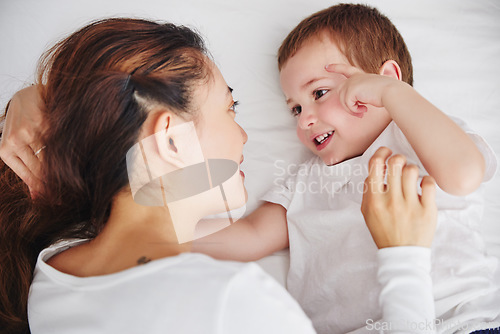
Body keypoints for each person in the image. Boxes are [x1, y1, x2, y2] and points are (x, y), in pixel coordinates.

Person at [0, 18, 440, 334]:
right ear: (171, 142)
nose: (245, 134)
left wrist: (33, 101)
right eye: (231, 109)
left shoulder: (56, 264)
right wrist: (405, 257)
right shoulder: (233, 302)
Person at [193, 3, 498, 333]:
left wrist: (394, 94)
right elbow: (250, 236)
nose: (305, 119)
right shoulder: (306, 180)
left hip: (462, 321)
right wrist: (161, 233)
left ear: (384, 82)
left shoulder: (421, 137)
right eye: (296, 108)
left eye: (320, 92)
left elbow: (464, 175)